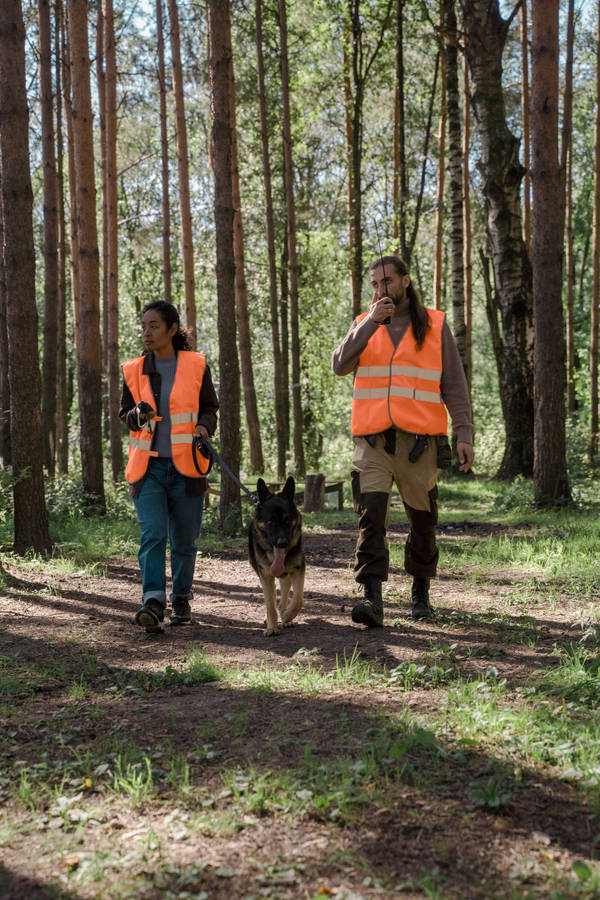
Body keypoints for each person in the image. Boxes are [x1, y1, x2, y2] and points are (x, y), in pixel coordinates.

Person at [332, 255, 474, 626]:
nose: (381, 289)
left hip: (419, 445)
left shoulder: (434, 325)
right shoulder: (364, 323)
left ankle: (421, 593)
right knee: (371, 519)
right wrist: (370, 325)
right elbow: (340, 365)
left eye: (388, 281)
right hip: (373, 443)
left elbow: (454, 385)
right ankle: (372, 598)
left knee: (423, 522)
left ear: (405, 281)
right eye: (375, 284)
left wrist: (464, 432)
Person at [119, 301, 219, 633]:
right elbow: (126, 415)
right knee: (153, 535)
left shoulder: (197, 365)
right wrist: (138, 415)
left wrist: (204, 427)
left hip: (188, 468)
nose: (146, 332)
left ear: (172, 329)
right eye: (144, 326)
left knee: (185, 540)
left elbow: (209, 408)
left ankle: (182, 598)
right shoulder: (133, 369)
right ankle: (153, 602)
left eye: (154, 326)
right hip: (147, 469)